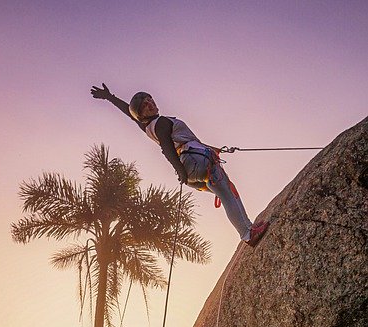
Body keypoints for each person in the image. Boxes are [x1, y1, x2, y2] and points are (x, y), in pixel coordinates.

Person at [91, 84, 269, 247]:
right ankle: (247, 233)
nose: (150, 103)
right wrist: (180, 171)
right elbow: (167, 149)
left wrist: (109, 97)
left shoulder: (149, 127)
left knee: (228, 191)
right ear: (141, 113)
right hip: (196, 164)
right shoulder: (161, 123)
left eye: (149, 99)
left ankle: (248, 226)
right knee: (227, 194)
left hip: (191, 170)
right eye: (145, 105)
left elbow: (129, 113)